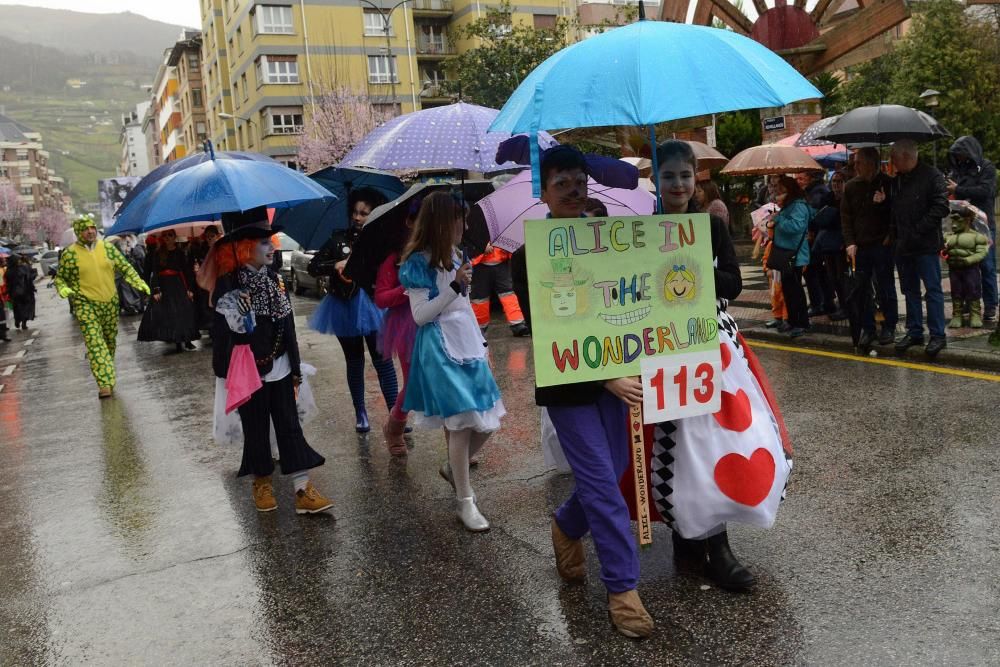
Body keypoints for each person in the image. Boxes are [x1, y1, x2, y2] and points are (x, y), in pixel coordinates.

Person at [512, 145, 654, 639]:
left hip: (621, 381)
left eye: (579, 182)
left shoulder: (612, 240)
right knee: (601, 486)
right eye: (561, 184)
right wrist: (603, 376)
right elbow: (546, 329)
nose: (573, 191)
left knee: (613, 474)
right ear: (544, 192)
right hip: (571, 386)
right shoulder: (528, 256)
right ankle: (623, 590)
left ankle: (568, 526)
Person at [650, 139, 791, 592]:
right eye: (668, 175)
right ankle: (689, 535)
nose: (677, 184)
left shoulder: (709, 227)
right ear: (655, 178)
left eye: (685, 176)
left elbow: (730, 279)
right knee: (682, 446)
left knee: (718, 439)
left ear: (696, 180)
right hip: (665, 348)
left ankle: (719, 544)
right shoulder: (641, 230)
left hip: (714, 347)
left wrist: (694, 269)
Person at [208, 207, 333, 515]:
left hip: (279, 364)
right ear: (243, 246)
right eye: (263, 242)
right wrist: (240, 318)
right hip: (249, 370)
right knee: (256, 427)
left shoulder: (276, 280)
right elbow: (228, 338)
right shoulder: (228, 284)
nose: (272, 247)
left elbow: (288, 325)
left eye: (271, 240)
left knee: (290, 425)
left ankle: (302, 488)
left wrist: (294, 367)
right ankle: (261, 481)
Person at [398, 191, 505, 531]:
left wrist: (482, 342)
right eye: (461, 219)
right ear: (443, 222)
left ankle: (453, 467)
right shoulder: (417, 262)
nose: (466, 225)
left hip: (468, 343)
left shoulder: (459, 255)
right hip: (440, 348)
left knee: (490, 419)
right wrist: (454, 287)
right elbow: (420, 316)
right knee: (460, 423)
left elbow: (464, 308)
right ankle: (465, 501)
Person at [308, 187, 399, 433]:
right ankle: (360, 413)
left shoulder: (382, 240)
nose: (358, 217)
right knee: (355, 361)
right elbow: (313, 266)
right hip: (343, 307)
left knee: (383, 361)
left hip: (372, 305)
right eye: (356, 212)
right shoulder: (338, 239)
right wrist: (334, 264)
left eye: (364, 213)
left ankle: (395, 416)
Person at [55, 214, 151, 398]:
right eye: (85, 229)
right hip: (85, 303)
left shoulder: (107, 248)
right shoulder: (70, 254)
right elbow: (60, 278)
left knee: (109, 341)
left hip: (109, 302)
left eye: (92, 227)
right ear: (79, 232)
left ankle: (106, 369)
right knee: (94, 342)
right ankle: (104, 383)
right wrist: (64, 289)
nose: (90, 231)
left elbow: (125, 267)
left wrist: (139, 283)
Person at [888, 139, 950, 357]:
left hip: (925, 244)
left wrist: (917, 230)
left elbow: (941, 206)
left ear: (905, 157)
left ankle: (937, 335)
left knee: (932, 290)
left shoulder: (932, 176)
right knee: (909, 289)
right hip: (903, 245)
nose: (892, 162)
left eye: (894, 158)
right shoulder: (897, 180)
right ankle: (914, 331)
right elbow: (894, 209)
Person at [374, 199, 420, 457]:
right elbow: (381, 297)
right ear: (408, 222)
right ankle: (394, 427)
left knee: (446, 379)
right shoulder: (393, 259)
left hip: (435, 320)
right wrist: (405, 290)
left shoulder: (435, 252)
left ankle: (457, 445)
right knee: (414, 384)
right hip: (405, 325)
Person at [842, 147, 897, 349]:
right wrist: (850, 242)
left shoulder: (887, 183)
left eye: (859, 163)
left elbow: (895, 214)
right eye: (855, 163)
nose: (855, 166)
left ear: (872, 163)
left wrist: (883, 204)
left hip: (881, 245)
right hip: (861, 246)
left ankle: (889, 325)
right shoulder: (851, 187)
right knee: (862, 290)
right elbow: (846, 218)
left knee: (886, 287)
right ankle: (868, 328)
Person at [947, 136, 997, 324]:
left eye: (960, 154)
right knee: (964, 265)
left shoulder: (986, 168)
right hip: (963, 224)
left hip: (983, 223)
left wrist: (958, 189)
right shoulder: (958, 170)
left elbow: (986, 192)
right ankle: (969, 302)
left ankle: (990, 305)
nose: (958, 158)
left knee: (987, 265)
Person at [137, 229, 200, 353]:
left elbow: (187, 271)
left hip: (178, 285)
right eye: (165, 235)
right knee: (171, 313)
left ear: (174, 237)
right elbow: (155, 273)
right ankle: (177, 342)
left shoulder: (180, 252)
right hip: (165, 286)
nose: (167, 238)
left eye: (170, 235)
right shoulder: (158, 253)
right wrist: (156, 290)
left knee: (183, 312)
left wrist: (190, 289)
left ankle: (187, 340)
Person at [770, 176, 812, 337]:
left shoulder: (798, 206)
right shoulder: (789, 206)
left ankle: (801, 322)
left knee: (795, 290)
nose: (778, 194)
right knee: (788, 289)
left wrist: (779, 219)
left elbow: (796, 227)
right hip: (786, 255)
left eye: (781, 191)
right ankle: (793, 321)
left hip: (795, 255)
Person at [810, 171, 848, 321]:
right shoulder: (827, 198)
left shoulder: (847, 198)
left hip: (842, 242)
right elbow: (819, 218)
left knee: (842, 276)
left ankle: (846, 306)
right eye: (834, 181)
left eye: (839, 181)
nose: (836, 185)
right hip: (828, 242)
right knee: (833, 276)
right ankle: (840, 304)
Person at [470, 243, 529, 337]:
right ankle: (479, 327)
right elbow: (470, 239)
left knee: (509, 294)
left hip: (501, 261)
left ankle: (517, 324)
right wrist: (481, 247)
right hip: (480, 264)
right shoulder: (476, 228)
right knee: (480, 298)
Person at [944, 208, 989, 328]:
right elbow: (941, 249)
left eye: (958, 220)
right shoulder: (948, 236)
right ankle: (957, 315)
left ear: (967, 220)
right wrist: (944, 250)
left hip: (970, 269)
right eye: (952, 220)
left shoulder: (977, 237)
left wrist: (968, 260)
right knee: (956, 291)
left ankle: (975, 314)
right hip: (954, 268)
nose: (954, 224)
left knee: (973, 289)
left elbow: (981, 253)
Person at [9, 255, 37, 330]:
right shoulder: (23, 268)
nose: (19, 261)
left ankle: (18, 321)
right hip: (25, 292)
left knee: (18, 308)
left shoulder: (9, 271)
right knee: (25, 307)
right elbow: (30, 278)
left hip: (16, 293)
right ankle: (23, 322)